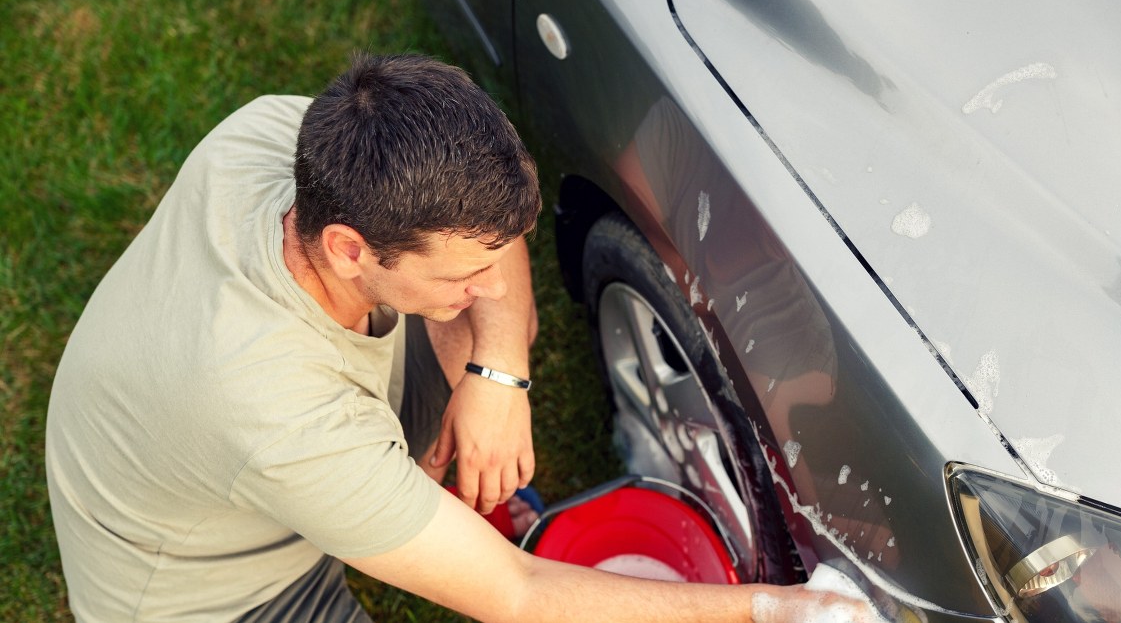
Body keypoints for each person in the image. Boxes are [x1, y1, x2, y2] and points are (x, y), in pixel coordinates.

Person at [45, 53, 870, 622]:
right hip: (205, 591)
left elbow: (492, 237)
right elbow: (514, 596)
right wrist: (782, 609)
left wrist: (501, 375)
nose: (494, 287)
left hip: (244, 438)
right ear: (349, 248)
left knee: (467, 347)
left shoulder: (279, 140)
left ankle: (426, 490)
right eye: (457, 276)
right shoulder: (272, 411)